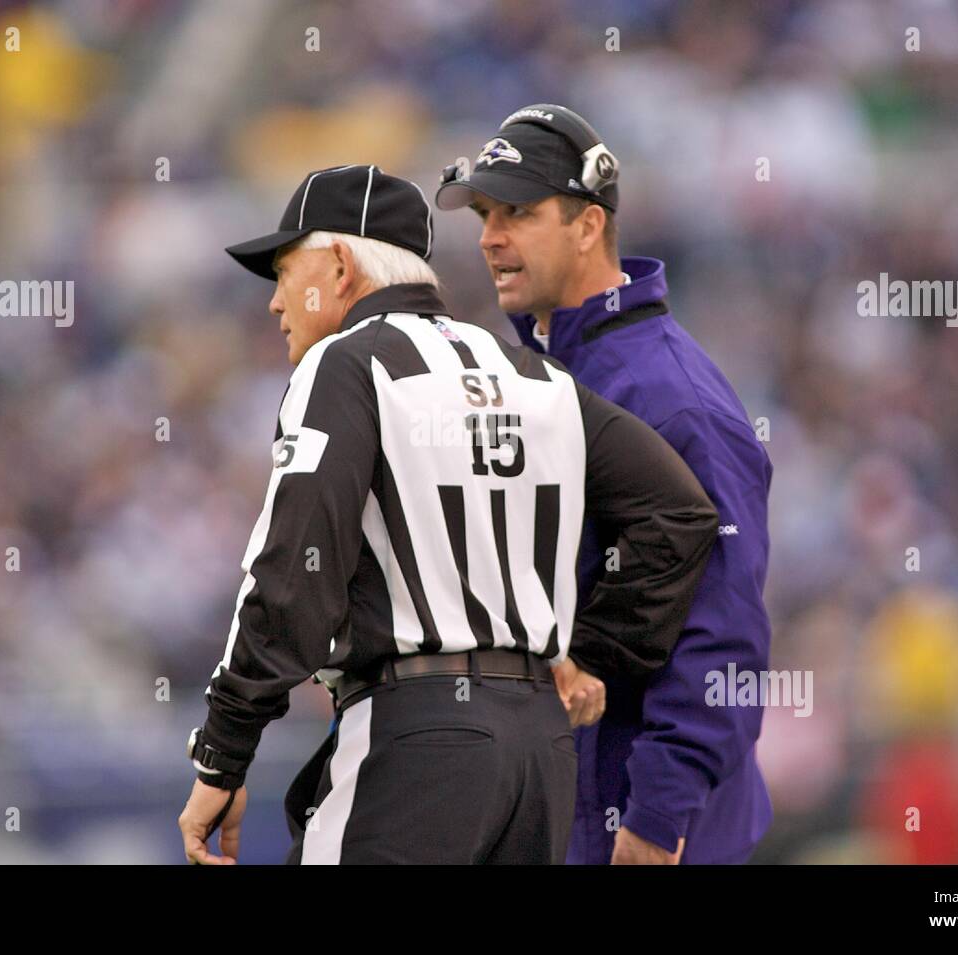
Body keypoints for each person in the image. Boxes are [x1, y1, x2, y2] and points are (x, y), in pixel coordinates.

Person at [176, 163, 720, 864]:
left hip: (417, 739)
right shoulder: (533, 374)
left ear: (339, 265)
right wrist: (588, 651)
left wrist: (223, 752)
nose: (276, 302)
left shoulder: (345, 362)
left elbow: (290, 576)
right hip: (538, 754)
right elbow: (678, 512)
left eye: (284, 270)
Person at [436, 105, 775, 865]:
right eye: (487, 214)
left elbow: (725, 634)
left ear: (588, 226)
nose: (491, 236)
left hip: (647, 822)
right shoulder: (537, 374)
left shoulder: (672, 395)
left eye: (519, 212)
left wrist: (659, 813)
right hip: (569, 802)